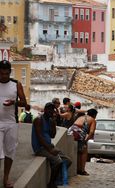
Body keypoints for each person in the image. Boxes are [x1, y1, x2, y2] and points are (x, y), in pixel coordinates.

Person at [31, 102, 72, 188]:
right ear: (45, 109)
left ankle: (57, 180)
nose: (50, 111)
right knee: (58, 161)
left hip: (49, 146)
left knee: (68, 161)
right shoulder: (38, 119)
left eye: (52, 109)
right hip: (40, 147)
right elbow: (40, 137)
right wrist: (50, 150)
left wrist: (54, 122)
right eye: (49, 109)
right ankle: (51, 184)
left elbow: (52, 135)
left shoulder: (49, 120)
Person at [0, 60, 27, 188]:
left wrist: (13, 103)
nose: (4, 76)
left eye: (6, 73)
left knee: (9, 152)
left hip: (11, 123)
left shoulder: (16, 85)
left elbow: (24, 103)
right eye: (1, 73)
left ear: (10, 73)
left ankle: (5, 179)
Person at [68, 108, 98, 176]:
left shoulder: (81, 117)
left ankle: (77, 169)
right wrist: (86, 140)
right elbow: (91, 132)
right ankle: (82, 170)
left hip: (70, 131)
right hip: (78, 132)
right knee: (84, 151)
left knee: (78, 151)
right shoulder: (92, 120)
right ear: (94, 115)